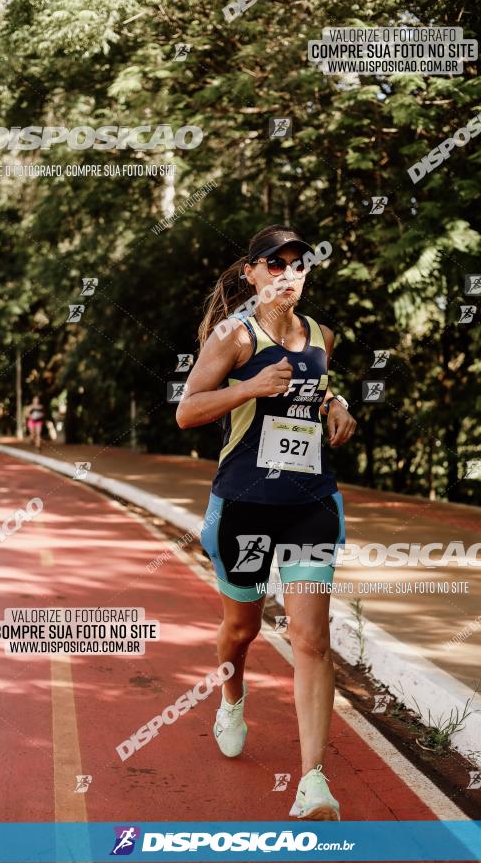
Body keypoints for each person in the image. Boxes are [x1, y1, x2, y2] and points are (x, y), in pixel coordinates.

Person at [176, 225, 357, 820]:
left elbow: (316, 391)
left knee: (311, 639)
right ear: (251, 273)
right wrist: (248, 387)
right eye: (274, 265)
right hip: (246, 507)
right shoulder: (234, 335)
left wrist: (336, 405)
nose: (287, 274)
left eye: (298, 266)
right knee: (242, 628)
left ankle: (313, 781)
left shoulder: (322, 335)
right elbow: (187, 411)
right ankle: (231, 697)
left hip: (309, 504)